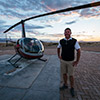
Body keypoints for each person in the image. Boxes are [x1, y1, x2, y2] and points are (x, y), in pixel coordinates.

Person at [57, 28, 81, 97]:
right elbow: (58, 48)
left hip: (71, 61)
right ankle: (65, 85)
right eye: (65, 32)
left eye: (68, 32)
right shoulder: (61, 41)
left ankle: (72, 88)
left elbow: (78, 51)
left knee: (71, 75)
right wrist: (59, 55)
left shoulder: (74, 41)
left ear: (70, 33)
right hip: (63, 61)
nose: (66, 33)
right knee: (64, 74)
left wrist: (77, 61)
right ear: (64, 33)